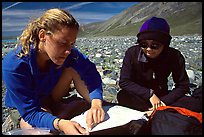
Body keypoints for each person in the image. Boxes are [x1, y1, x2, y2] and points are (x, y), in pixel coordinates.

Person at [2, 8, 105, 135]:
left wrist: (96, 103)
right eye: (63, 43)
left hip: (50, 96)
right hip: (25, 109)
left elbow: (91, 73)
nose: (68, 50)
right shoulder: (14, 64)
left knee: (74, 69)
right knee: (45, 132)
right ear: (42, 36)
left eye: (72, 44)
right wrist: (60, 124)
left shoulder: (69, 54)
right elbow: (30, 112)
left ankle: (91, 108)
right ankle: (61, 112)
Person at [117, 16, 191, 115]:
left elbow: (183, 85)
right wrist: (149, 94)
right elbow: (124, 81)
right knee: (123, 96)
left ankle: (149, 112)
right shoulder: (132, 53)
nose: (148, 49)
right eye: (143, 44)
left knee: (195, 102)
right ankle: (153, 112)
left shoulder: (174, 56)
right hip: (140, 95)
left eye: (154, 46)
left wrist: (163, 103)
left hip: (162, 96)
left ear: (165, 44)